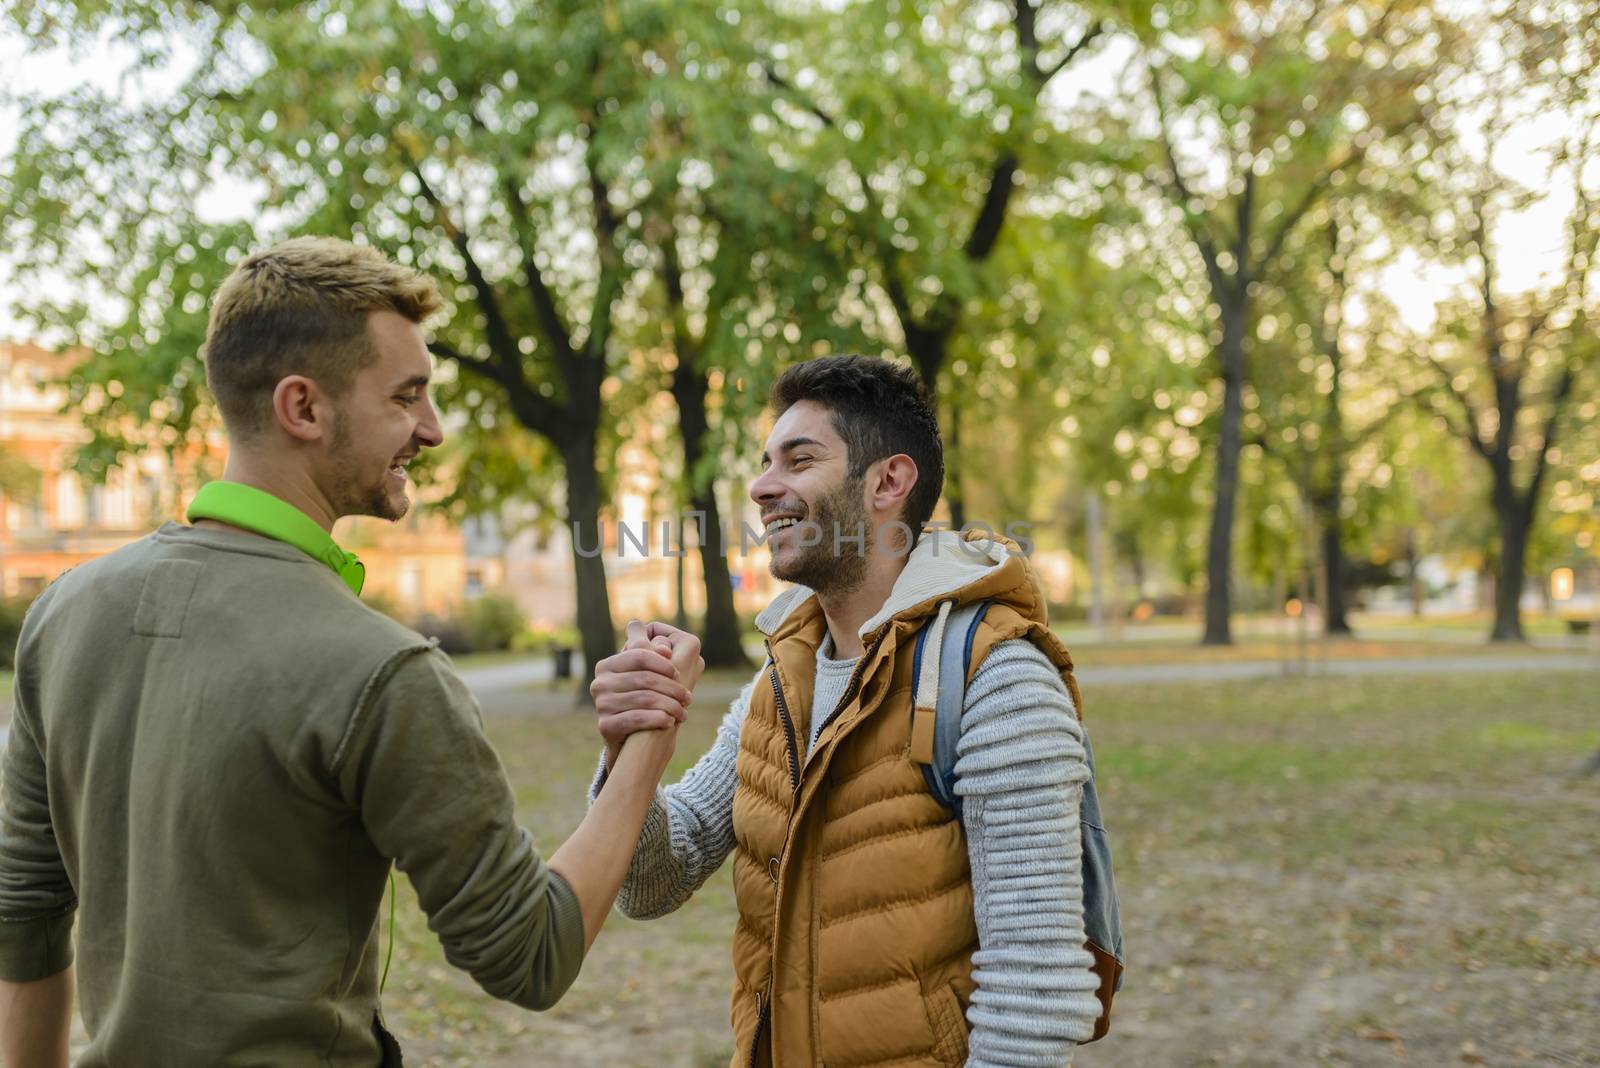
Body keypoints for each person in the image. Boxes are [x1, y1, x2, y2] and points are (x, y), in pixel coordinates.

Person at [0, 237, 698, 1068]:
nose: (431, 431)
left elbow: (23, 913)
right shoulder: (384, 672)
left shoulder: (65, 610)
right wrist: (649, 742)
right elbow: (531, 954)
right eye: (407, 397)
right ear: (304, 408)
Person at [588, 355, 1101, 1067]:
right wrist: (632, 746)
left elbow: (1036, 994)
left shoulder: (996, 680)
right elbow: (652, 882)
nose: (763, 487)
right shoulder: (778, 685)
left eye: (799, 461)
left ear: (888, 481)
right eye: (767, 463)